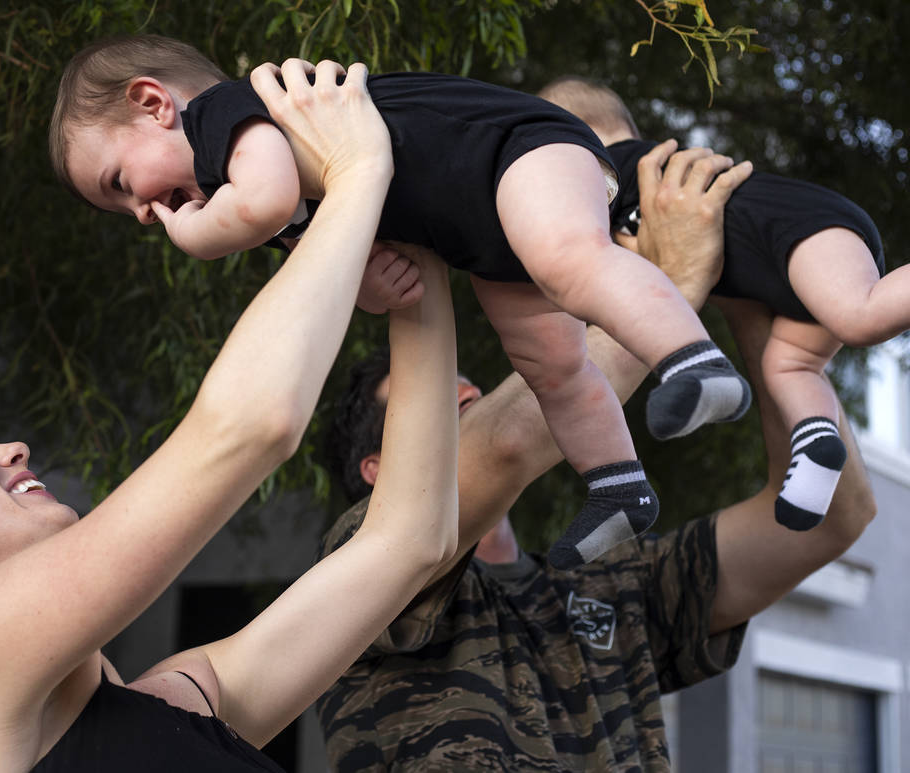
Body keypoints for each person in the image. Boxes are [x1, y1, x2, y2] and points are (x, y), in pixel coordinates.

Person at [0, 60, 464, 773]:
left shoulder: (171, 710)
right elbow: (248, 427)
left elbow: (411, 540)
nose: (11, 447)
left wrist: (415, 257)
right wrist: (356, 173)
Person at [48, 34, 756, 570]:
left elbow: (264, 201)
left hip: (511, 150)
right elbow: (346, 264)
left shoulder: (227, 117)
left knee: (573, 264)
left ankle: (692, 359)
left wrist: (196, 233)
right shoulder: (268, 189)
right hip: (482, 230)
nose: (141, 213)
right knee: (550, 362)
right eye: (122, 208)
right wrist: (371, 284)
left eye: (119, 182)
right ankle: (617, 484)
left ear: (155, 104)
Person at [315, 141, 877, 771]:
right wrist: (667, 286)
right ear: (375, 471)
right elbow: (507, 443)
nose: (467, 389)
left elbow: (831, 518)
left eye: (465, 383)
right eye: (423, 401)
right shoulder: (353, 573)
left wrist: (746, 282)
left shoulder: (613, 588)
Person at [539, 75, 909, 530]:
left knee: (860, 315)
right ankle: (816, 451)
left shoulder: (613, 172)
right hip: (789, 268)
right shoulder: (652, 175)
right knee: (789, 365)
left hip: (793, 226)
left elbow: (602, 265)